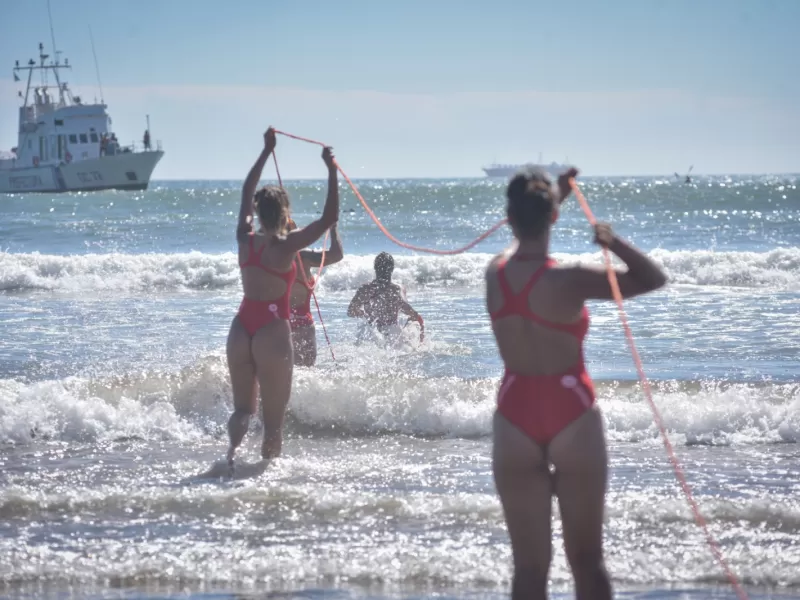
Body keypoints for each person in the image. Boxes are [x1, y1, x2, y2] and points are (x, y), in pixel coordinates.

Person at [486, 166, 666, 600]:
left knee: (528, 569)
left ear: (509, 218)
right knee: (586, 561)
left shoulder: (495, 273)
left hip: (514, 416)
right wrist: (613, 241)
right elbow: (653, 279)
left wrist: (553, 199)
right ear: (553, 217)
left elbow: (521, 242)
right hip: (571, 411)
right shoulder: (570, 278)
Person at [226, 127, 339, 468]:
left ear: (259, 212)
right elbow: (329, 218)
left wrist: (265, 151)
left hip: (241, 326)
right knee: (273, 424)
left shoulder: (244, 237)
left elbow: (247, 190)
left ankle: (230, 460)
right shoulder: (288, 246)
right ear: (285, 213)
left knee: (243, 410)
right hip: (272, 330)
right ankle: (266, 480)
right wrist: (331, 169)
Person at [287, 219, 344, 366]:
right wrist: (333, 228)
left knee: (278, 375)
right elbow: (336, 255)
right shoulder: (303, 257)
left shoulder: (266, 257)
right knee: (305, 373)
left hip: (276, 323)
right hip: (301, 322)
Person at [347, 252, 423, 344]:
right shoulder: (397, 289)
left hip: (372, 333)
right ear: (392, 269)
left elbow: (351, 311)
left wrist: (365, 315)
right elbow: (414, 314)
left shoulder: (366, 289)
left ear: (375, 268)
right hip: (393, 333)